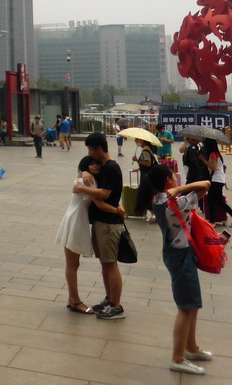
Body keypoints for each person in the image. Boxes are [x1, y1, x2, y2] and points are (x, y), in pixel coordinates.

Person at [148, 163, 213, 374]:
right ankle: (178, 357)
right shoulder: (180, 202)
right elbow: (206, 185)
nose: (176, 179)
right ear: (168, 181)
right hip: (181, 256)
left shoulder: (158, 199)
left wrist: (176, 189)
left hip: (174, 253)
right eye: (173, 177)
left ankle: (191, 347)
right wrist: (179, 190)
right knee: (186, 307)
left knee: (191, 303)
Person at [56, 156, 123, 314]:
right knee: (72, 265)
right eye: (92, 164)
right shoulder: (89, 181)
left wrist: (83, 172)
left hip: (74, 219)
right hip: (76, 222)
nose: (96, 166)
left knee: (72, 264)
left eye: (97, 163)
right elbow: (100, 203)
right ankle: (75, 301)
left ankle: (73, 299)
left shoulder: (87, 178)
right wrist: (118, 210)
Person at [73, 132, 126, 319]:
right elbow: (83, 162)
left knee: (110, 264)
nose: (89, 153)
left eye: (90, 149)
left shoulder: (111, 167)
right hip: (101, 222)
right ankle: (110, 299)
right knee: (105, 263)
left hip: (109, 224)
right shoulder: (101, 164)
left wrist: (81, 188)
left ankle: (117, 306)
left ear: (98, 149)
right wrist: (84, 170)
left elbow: (103, 193)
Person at [199, 137, 232, 228]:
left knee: (211, 200)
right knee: (218, 201)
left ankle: (212, 221)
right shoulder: (215, 153)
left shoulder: (213, 154)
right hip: (219, 179)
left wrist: (203, 160)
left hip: (216, 180)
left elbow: (213, 167)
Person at [131, 138, 159, 222]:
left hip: (147, 178)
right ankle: (153, 213)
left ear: (142, 141)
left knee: (146, 195)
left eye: (137, 140)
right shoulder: (146, 149)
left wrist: (137, 160)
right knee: (147, 195)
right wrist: (138, 168)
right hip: (147, 175)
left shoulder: (146, 151)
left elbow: (148, 163)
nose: (136, 142)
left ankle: (154, 214)